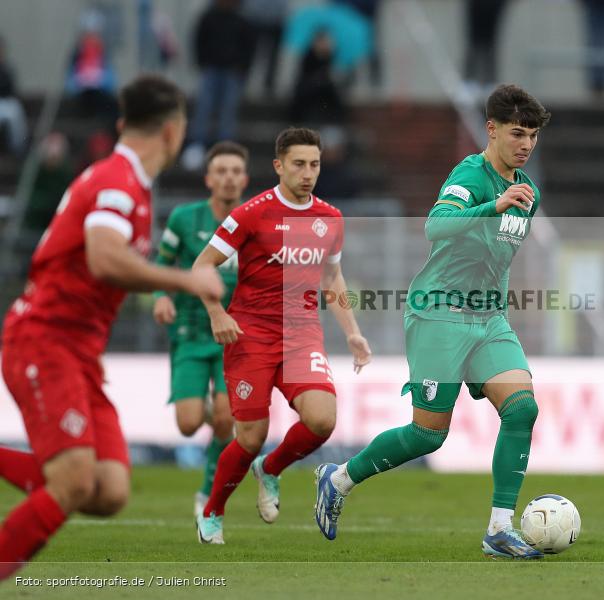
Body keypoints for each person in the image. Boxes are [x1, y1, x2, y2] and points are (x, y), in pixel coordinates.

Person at [0, 75, 224, 579]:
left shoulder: (124, 183)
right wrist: (186, 280)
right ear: (174, 132)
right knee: (75, 482)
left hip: (79, 351)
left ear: (125, 124)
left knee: (108, 489)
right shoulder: (119, 183)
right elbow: (104, 259)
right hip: (46, 339)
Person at [314, 84, 551, 560]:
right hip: (439, 312)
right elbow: (436, 226)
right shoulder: (470, 175)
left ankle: (500, 529)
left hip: (488, 318)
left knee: (522, 409)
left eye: (533, 136)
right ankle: (337, 478)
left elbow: (498, 257)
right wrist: (492, 208)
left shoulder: (528, 192)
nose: (526, 144)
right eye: (517, 133)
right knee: (429, 434)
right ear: (492, 130)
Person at [194, 127, 372, 544]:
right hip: (250, 333)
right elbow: (202, 266)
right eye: (298, 164)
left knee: (322, 419)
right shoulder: (251, 214)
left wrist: (353, 333)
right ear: (278, 166)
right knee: (250, 437)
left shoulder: (330, 219)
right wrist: (217, 311)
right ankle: (213, 511)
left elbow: (332, 277)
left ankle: (270, 469)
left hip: (302, 333)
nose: (308, 173)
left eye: (314, 164)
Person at [152, 142, 249, 517]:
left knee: (225, 416)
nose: (228, 178)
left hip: (235, 336)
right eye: (221, 171)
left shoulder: (255, 221)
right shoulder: (183, 219)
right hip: (190, 334)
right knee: (189, 424)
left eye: (234, 171)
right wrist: (162, 295)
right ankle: (218, 415)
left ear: (244, 179)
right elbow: (162, 263)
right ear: (209, 179)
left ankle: (208, 493)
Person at [181, 0, 255, 171]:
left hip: (232, 71)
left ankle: (225, 148)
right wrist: (202, 62)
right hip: (211, 69)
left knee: (228, 110)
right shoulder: (208, 17)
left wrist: (243, 68)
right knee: (204, 107)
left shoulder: (242, 20)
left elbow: (249, 45)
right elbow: (199, 39)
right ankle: (197, 144)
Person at [0, 37, 27, 155]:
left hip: (5, 102)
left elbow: (11, 89)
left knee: (15, 110)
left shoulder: (8, 68)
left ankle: (18, 147)